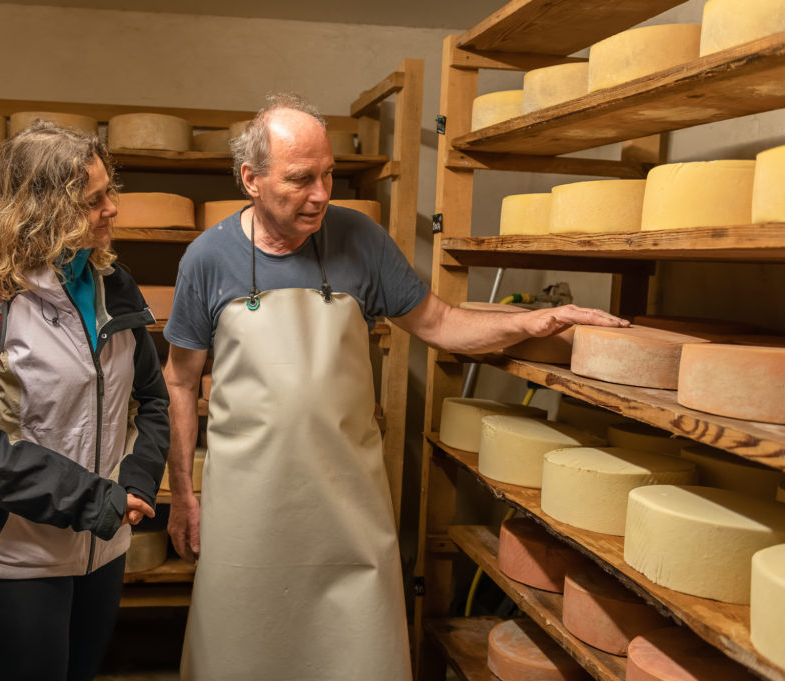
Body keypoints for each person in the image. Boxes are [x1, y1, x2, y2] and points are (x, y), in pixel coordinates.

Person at [162, 93, 628, 680]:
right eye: (301, 179)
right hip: (248, 503)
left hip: (345, 497)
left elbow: (439, 323)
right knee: (244, 648)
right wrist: (184, 494)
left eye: (328, 174)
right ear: (250, 179)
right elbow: (181, 381)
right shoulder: (206, 258)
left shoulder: (361, 238)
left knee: (353, 650)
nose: (322, 195)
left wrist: (525, 323)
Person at [0, 121, 169, 681]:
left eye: (111, 191)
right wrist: (94, 501)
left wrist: (136, 483)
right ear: (41, 209)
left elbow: (151, 398)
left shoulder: (113, 283)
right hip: (13, 558)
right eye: (93, 200)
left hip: (102, 549)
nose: (112, 209)